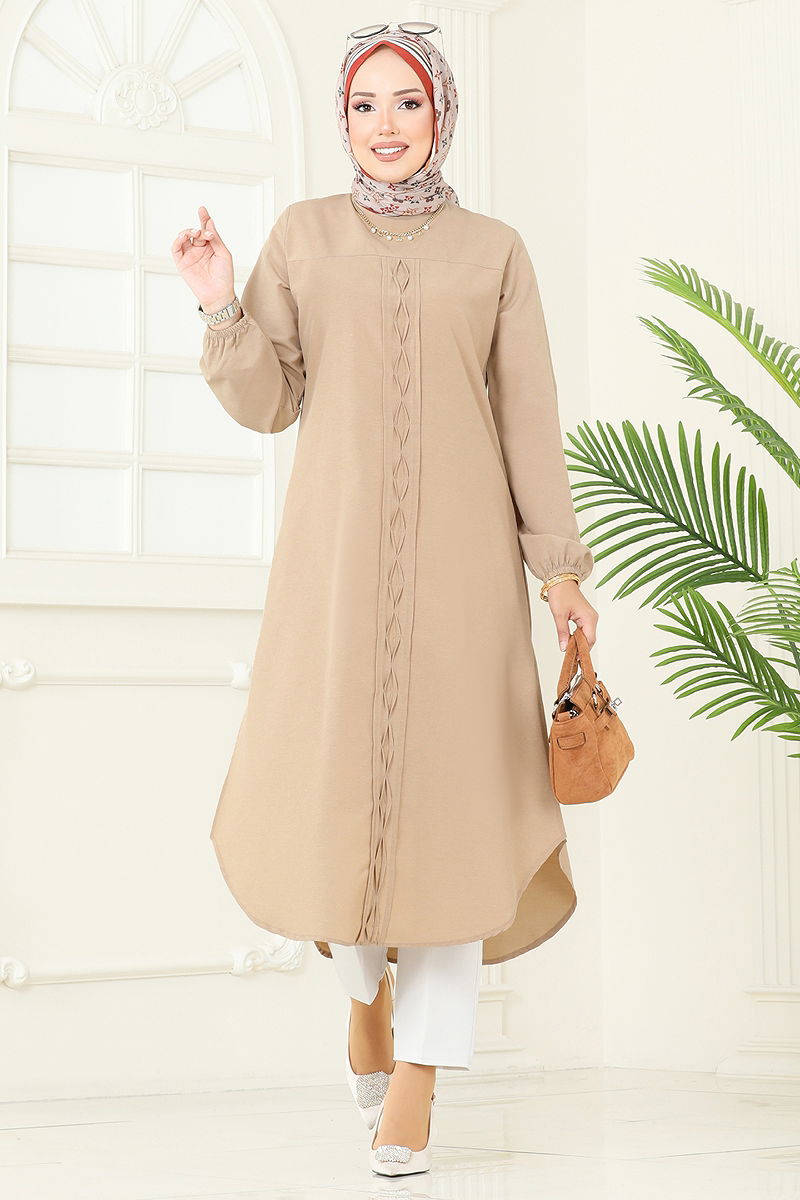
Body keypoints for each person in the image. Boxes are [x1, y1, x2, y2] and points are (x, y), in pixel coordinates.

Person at [172, 21, 598, 1179]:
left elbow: (528, 417)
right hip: (333, 575)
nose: (386, 125)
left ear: (441, 113)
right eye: (364, 105)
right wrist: (218, 303)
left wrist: (559, 572)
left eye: (407, 102)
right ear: (343, 120)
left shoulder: (494, 253)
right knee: (333, 803)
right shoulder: (302, 237)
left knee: (456, 820)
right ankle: (363, 993)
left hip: (466, 580)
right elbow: (271, 401)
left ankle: (417, 1078)